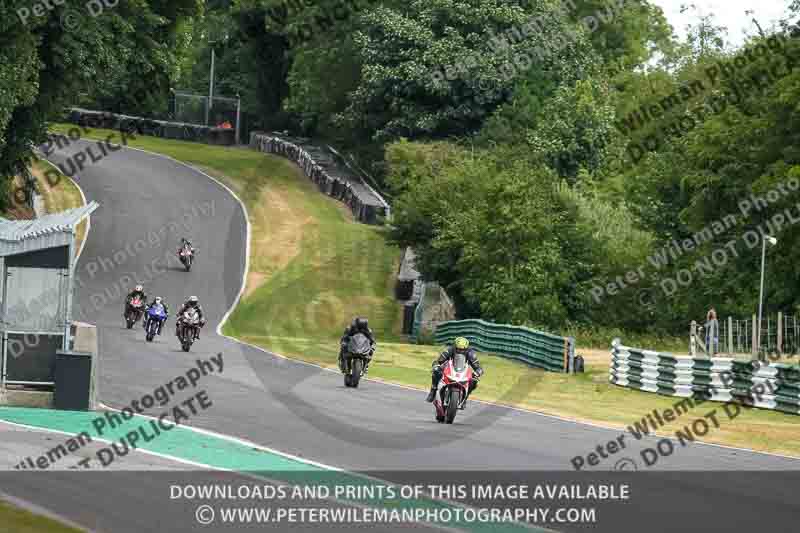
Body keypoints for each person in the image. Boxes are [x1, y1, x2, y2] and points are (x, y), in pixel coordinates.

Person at [426, 337, 483, 408]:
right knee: (436, 371)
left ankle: (465, 399)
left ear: (466, 349)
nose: (460, 351)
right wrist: (436, 366)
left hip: (463, 372)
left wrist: (478, 372)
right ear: (455, 347)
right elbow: (438, 361)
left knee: (474, 381)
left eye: (463, 350)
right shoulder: (449, 350)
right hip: (449, 368)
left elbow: (478, 367)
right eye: (458, 349)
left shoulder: (471, 353)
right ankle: (433, 391)